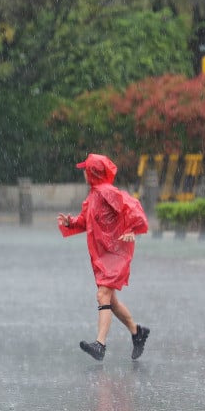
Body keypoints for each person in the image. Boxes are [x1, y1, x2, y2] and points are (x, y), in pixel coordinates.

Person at [58, 153, 151, 361]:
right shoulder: (93, 195)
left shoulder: (106, 192)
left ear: (92, 172)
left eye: (86, 169)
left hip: (116, 252)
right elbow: (84, 221)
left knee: (102, 295)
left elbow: (131, 206)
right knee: (112, 301)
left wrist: (133, 228)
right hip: (104, 254)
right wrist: (70, 223)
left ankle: (100, 344)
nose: (83, 173)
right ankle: (138, 332)